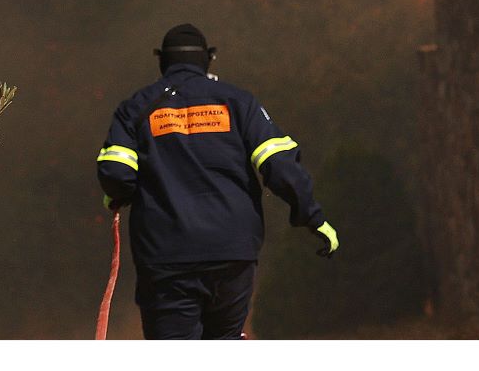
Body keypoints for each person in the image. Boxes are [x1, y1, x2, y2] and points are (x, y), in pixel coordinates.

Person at [96, 23, 339, 340]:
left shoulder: (136, 108)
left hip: (166, 258)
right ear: (208, 59)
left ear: (162, 61)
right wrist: (312, 217)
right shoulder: (239, 102)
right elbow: (279, 164)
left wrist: (117, 194)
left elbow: (117, 173)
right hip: (232, 255)